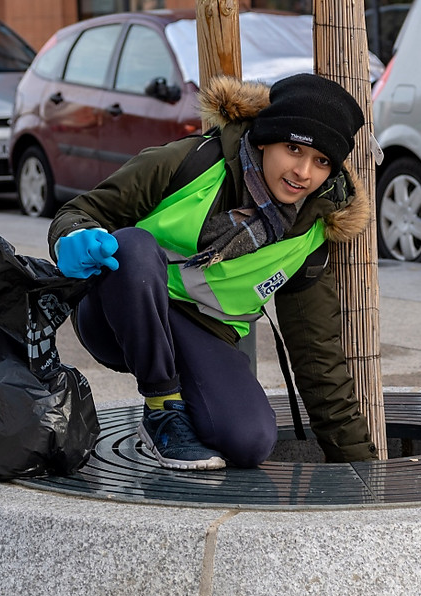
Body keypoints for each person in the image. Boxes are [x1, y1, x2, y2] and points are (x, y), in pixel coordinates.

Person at [48, 72, 376, 470]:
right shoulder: (193, 162)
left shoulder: (309, 236)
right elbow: (81, 212)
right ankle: (162, 408)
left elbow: (316, 356)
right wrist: (74, 238)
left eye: (322, 161)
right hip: (120, 312)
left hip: (200, 335)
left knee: (250, 441)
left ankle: (183, 404)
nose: (303, 173)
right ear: (264, 138)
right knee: (133, 245)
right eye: (294, 149)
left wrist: (361, 468)